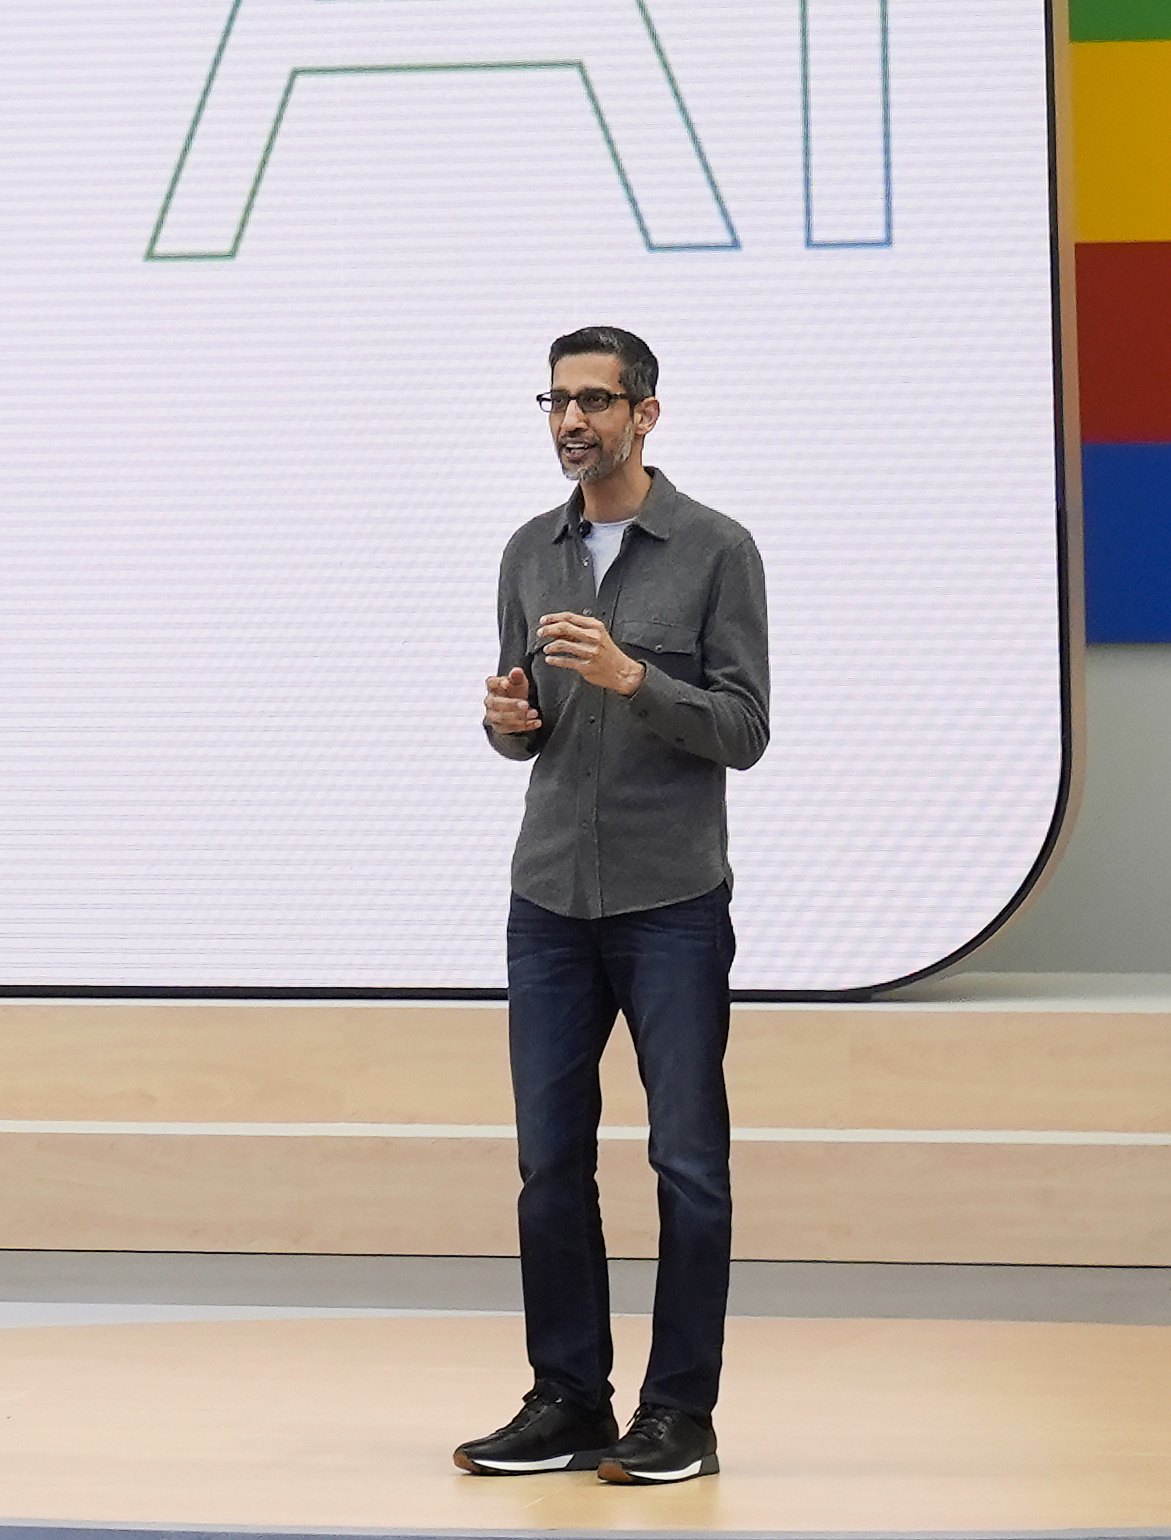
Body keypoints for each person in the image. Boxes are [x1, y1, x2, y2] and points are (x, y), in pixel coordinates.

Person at [448, 324, 771, 1488]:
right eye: (555, 400)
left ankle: (679, 1410)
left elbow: (743, 729)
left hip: (670, 896)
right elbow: (513, 723)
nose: (571, 420)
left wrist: (637, 677)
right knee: (548, 1161)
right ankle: (568, 1395)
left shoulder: (716, 548)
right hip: (547, 900)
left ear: (645, 412)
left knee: (686, 1161)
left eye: (594, 399)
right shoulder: (529, 551)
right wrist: (504, 717)